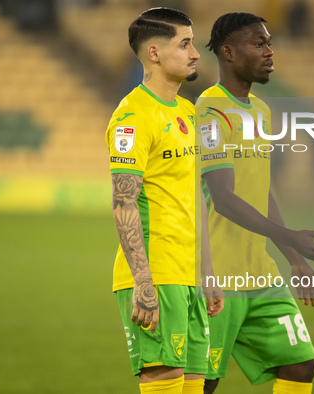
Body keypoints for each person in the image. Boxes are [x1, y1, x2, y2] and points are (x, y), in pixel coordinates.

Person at [196, 12, 314, 394]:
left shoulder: (260, 110)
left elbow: (261, 189)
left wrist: (293, 256)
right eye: (259, 44)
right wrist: (290, 234)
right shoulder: (209, 110)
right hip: (217, 274)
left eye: (269, 42)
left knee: (301, 365)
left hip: (260, 273)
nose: (270, 51)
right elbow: (224, 199)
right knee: (203, 383)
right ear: (228, 52)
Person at [105, 8, 223, 394]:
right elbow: (124, 202)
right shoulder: (132, 117)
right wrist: (143, 280)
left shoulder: (189, 113)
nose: (195, 54)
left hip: (188, 277)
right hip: (155, 276)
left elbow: (196, 198)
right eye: (184, 44)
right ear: (154, 53)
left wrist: (206, 272)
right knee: (163, 381)